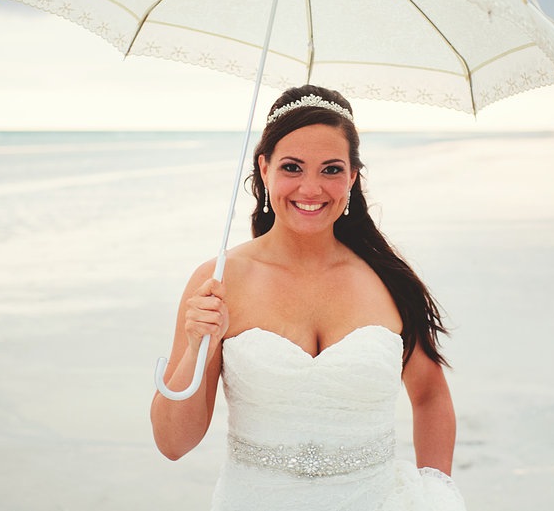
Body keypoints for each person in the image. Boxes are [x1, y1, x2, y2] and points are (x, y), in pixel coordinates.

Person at [151, 84, 465, 511]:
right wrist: (197, 350)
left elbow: (430, 395)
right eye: (293, 167)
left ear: (353, 177)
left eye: (331, 169)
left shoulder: (389, 280)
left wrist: (436, 489)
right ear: (264, 169)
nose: (311, 188)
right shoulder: (219, 281)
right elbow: (173, 444)